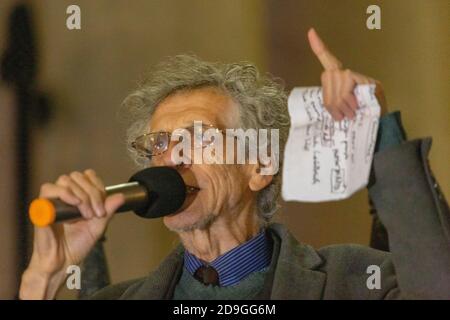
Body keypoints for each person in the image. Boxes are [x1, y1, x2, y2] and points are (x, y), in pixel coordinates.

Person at [19, 29, 450, 299]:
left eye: (200, 137)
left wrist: (377, 126)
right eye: (161, 143)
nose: (174, 157)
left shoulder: (355, 280)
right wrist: (45, 278)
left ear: (260, 165)